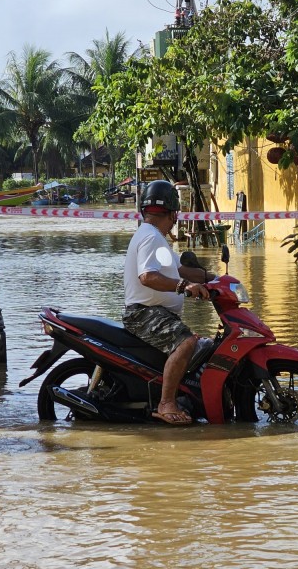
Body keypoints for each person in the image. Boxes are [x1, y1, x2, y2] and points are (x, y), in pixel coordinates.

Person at [123, 180, 213, 425]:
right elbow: (148, 276)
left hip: (156, 312)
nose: (176, 220)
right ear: (173, 213)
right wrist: (184, 287)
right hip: (144, 314)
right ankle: (166, 404)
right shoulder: (151, 237)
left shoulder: (155, 237)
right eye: (176, 214)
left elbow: (181, 269)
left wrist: (215, 279)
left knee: (197, 343)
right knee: (186, 343)